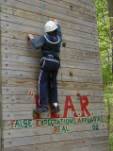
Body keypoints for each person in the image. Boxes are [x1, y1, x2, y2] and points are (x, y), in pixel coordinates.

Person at [28, 20, 62, 113]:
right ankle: (55, 106)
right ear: (55, 30)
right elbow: (59, 31)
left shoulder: (45, 37)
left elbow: (36, 45)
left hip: (47, 62)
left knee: (42, 83)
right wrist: (57, 23)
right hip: (56, 63)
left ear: (46, 31)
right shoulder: (59, 38)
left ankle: (44, 106)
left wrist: (31, 38)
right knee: (53, 85)